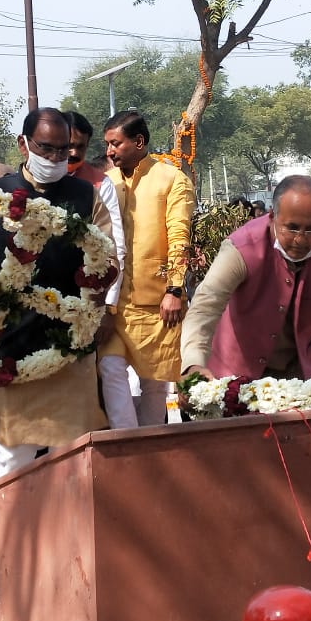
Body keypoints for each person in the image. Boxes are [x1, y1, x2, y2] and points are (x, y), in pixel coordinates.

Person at [0, 107, 117, 479]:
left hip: (69, 346)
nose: (56, 158)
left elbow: (107, 256)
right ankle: (6, 535)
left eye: (64, 150)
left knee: (72, 463)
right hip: (7, 344)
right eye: (47, 149)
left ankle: (65, 537)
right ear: (23, 145)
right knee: (10, 461)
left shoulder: (86, 196)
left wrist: (99, 292)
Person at [180, 176, 311, 384]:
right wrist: (193, 364)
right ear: (272, 216)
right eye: (291, 227)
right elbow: (205, 308)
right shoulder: (241, 248)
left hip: (303, 378)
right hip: (234, 373)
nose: (300, 239)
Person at [103, 110, 194, 425]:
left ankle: (149, 455)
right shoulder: (106, 183)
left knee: (154, 386)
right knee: (110, 371)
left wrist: (174, 289)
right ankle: (126, 442)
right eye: (107, 144)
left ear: (139, 142)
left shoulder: (171, 179)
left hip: (157, 305)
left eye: (116, 144)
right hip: (113, 306)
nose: (109, 151)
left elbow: (180, 237)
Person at [66, 110, 134, 429]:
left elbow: (114, 246)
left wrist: (108, 305)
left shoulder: (98, 183)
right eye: (67, 145)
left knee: (93, 380)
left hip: (87, 302)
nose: (74, 153)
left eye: (81, 146)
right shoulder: (25, 185)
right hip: (39, 304)